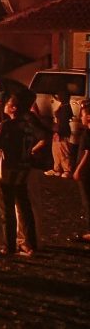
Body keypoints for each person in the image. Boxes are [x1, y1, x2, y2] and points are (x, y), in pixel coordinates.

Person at [0, 91, 49, 259]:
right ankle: (31, 243)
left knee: (6, 210)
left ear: (13, 108)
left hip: (5, 171)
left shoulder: (6, 125)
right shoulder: (28, 126)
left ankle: (9, 247)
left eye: (7, 103)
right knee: (24, 207)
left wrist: (0, 149)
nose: (4, 105)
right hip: (23, 170)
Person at [71, 101, 90, 244]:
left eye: (82, 115)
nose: (81, 118)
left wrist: (78, 170)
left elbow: (87, 153)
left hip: (86, 172)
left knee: (87, 201)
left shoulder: (87, 133)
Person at [46, 91, 73, 178]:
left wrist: (59, 133)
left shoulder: (65, 107)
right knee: (56, 151)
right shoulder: (63, 105)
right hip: (58, 130)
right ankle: (57, 169)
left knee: (63, 151)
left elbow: (64, 122)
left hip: (62, 132)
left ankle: (67, 170)